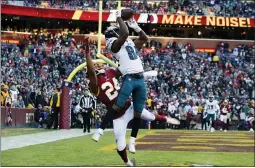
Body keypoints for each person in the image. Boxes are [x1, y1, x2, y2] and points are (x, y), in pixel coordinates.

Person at [84, 38, 179, 166]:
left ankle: (166, 119)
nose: (100, 65)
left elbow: (128, 71)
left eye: (100, 64)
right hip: (117, 116)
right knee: (120, 145)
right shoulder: (93, 85)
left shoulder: (111, 72)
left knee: (149, 116)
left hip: (128, 106)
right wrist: (87, 52)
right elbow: (90, 71)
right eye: (97, 65)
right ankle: (128, 162)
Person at [102, 10, 149, 153]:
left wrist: (136, 26)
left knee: (138, 113)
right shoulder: (115, 46)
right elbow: (124, 33)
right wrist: (118, 17)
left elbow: (144, 38)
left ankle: (133, 141)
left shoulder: (128, 45)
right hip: (129, 78)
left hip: (139, 78)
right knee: (118, 106)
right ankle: (101, 129)